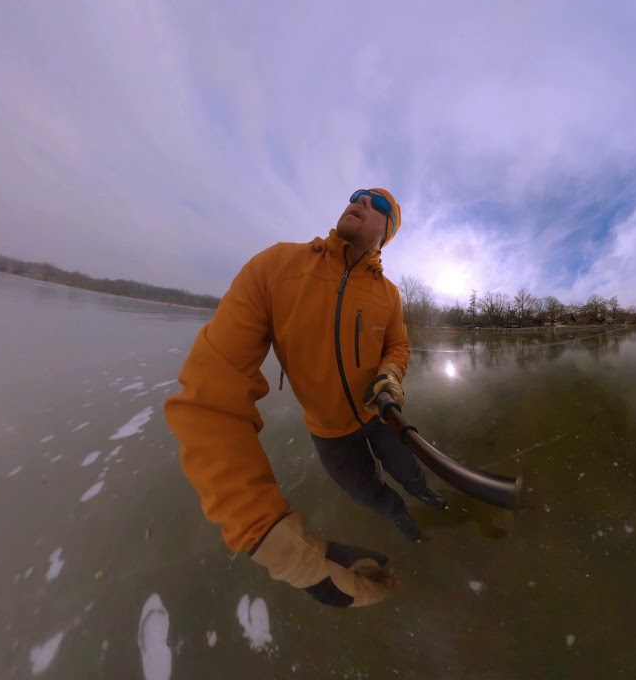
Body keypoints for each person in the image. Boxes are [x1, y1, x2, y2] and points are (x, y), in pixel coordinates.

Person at [164, 188, 445, 608]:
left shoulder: (389, 295)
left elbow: (398, 346)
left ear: (387, 233)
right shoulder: (276, 267)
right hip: (327, 434)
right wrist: (269, 536)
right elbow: (209, 400)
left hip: (380, 416)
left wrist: (391, 374)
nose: (364, 201)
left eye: (380, 204)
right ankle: (400, 516)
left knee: (409, 469)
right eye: (359, 195)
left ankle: (427, 497)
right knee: (367, 492)